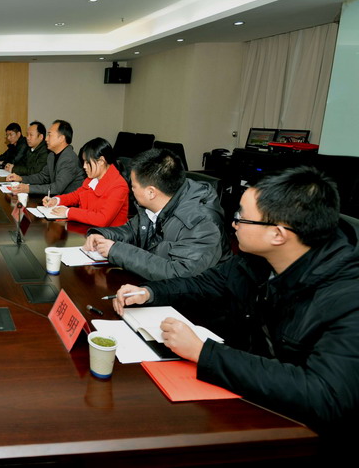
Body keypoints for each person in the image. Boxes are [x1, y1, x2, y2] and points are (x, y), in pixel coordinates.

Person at [111, 166, 359, 438]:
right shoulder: (257, 260)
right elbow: (205, 284)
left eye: (242, 217)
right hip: (251, 403)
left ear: (278, 234)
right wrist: (150, 292)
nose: (233, 224)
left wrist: (203, 353)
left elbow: (327, 396)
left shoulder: (347, 296)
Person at [84, 148, 229, 280]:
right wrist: (103, 235)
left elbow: (178, 274)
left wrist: (116, 251)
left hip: (199, 295)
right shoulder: (160, 201)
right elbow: (133, 231)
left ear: (151, 192)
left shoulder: (201, 223)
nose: (131, 190)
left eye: (133, 186)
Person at [42, 137, 129, 227]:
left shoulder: (119, 186)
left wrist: (68, 212)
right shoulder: (92, 178)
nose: (84, 166)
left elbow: (102, 219)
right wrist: (56, 200)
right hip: (88, 228)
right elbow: (76, 196)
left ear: (101, 161)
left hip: (109, 233)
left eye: (87, 162)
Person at [6, 119, 85, 196]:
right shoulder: (52, 155)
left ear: (61, 138)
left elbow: (57, 188)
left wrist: (28, 188)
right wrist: (21, 178)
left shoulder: (69, 159)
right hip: (56, 200)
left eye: (49, 135)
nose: (46, 139)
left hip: (70, 202)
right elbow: (42, 177)